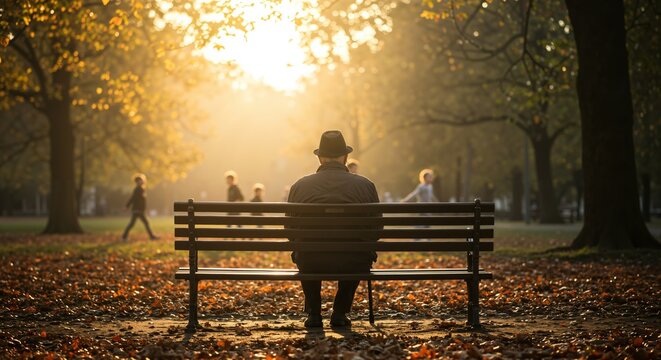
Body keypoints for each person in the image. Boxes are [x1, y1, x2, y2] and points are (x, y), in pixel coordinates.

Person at [287, 130, 380, 328]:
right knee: (359, 254)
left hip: (311, 259)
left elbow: (290, 230)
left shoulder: (300, 186)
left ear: (320, 158)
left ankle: (314, 314)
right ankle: (339, 313)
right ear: (345, 158)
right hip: (353, 260)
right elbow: (376, 229)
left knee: (305, 249)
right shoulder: (365, 185)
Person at [122, 174, 159, 241]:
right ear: (137, 182)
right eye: (139, 181)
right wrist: (127, 206)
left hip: (139, 210)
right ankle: (151, 236)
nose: (141, 181)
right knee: (144, 223)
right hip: (137, 210)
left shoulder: (141, 189)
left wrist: (127, 206)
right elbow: (133, 198)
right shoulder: (138, 189)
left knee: (133, 224)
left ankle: (124, 237)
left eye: (141, 180)